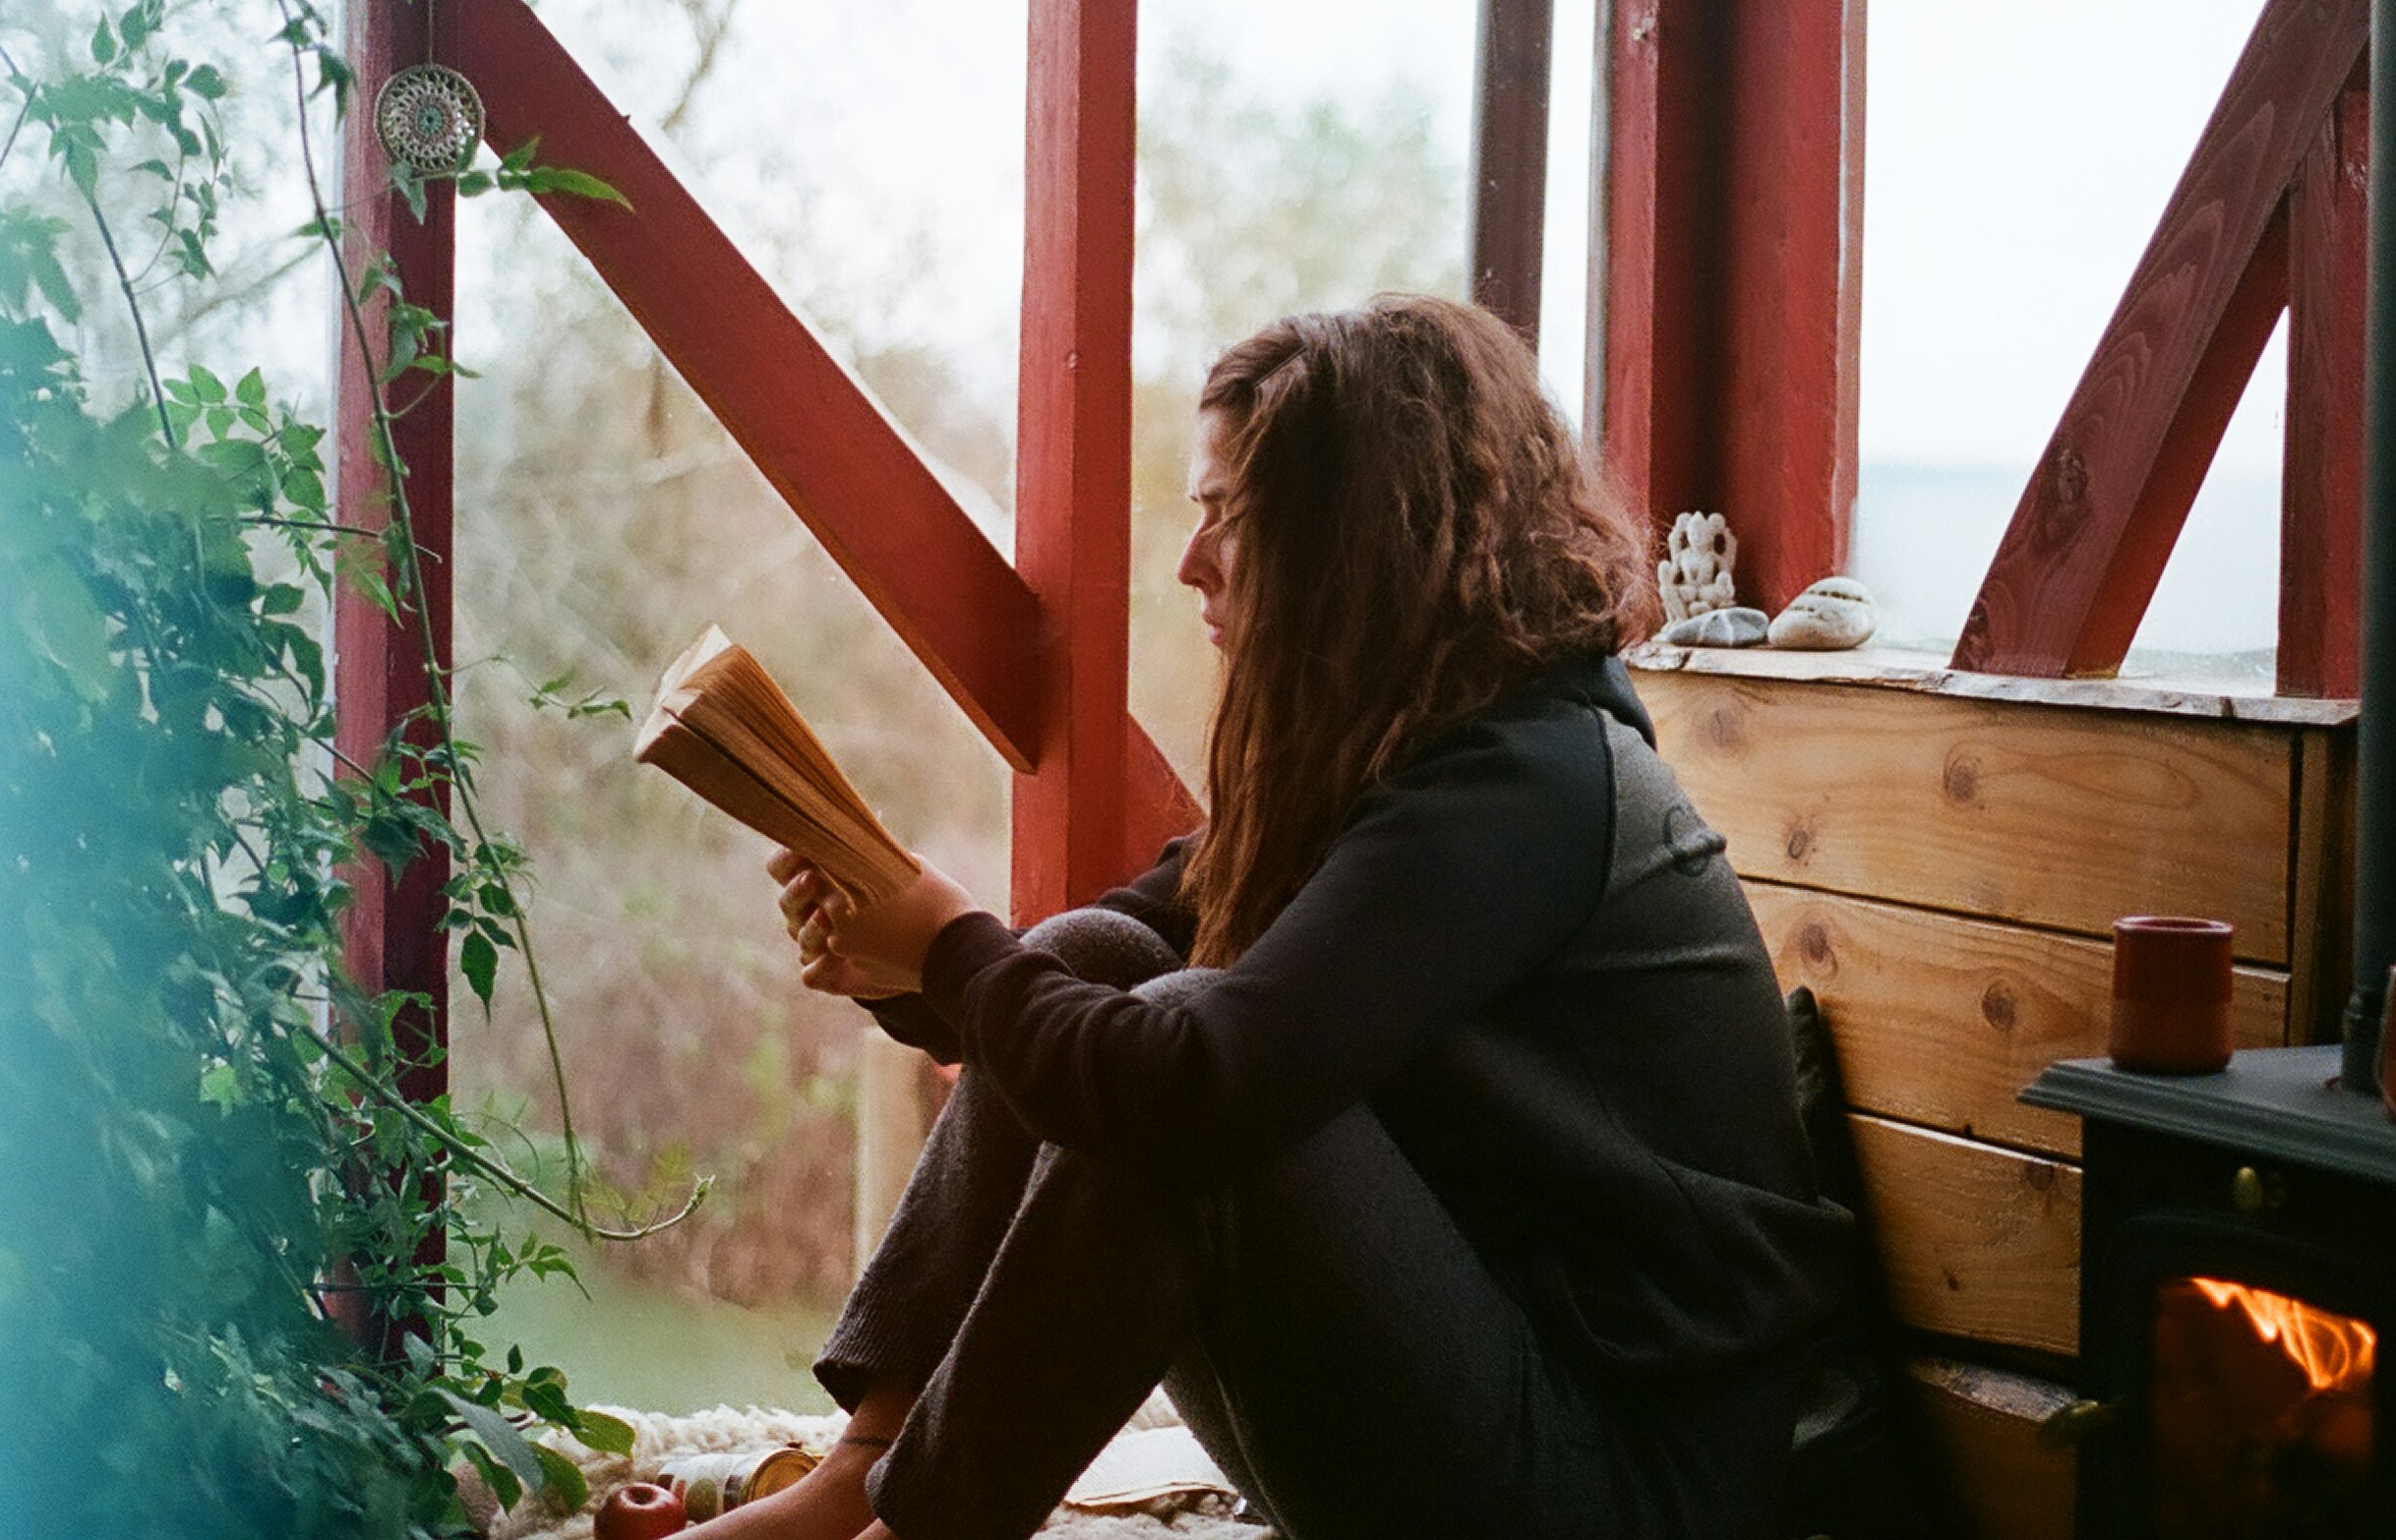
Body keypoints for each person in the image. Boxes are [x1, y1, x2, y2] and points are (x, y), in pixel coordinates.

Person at [703, 296, 1852, 1540]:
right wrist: (903, 952)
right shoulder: (1412, 749)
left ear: (1353, 540)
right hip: (1501, 1387)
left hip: (1625, 1484)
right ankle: (867, 1472)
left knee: (1190, 1098)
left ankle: (916, 1529)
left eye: (1229, 518)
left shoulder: (1531, 786)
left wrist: (949, 948)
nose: (1190, 561)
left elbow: (1196, 1086)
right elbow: (1113, 948)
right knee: (1095, 959)